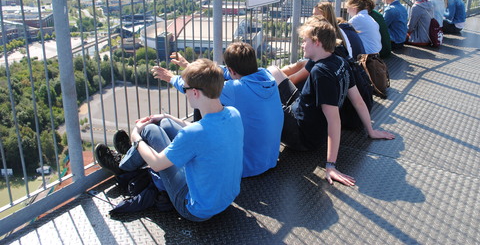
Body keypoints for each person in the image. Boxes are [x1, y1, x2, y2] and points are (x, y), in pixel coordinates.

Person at [96, 58, 244, 221]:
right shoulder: (233, 113)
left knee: (150, 130)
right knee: (166, 124)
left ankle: (122, 166)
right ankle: (132, 156)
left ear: (194, 92)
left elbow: (157, 163)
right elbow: (205, 129)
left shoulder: (193, 134)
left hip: (196, 208)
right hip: (224, 198)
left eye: (185, 88)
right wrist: (167, 117)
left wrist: (136, 137)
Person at [268, 16, 394, 187]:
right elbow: (357, 100)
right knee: (273, 70)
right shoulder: (340, 61)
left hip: (301, 135)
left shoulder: (321, 73)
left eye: (305, 41)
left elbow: (334, 120)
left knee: (260, 102)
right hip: (300, 110)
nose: (302, 45)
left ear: (317, 42)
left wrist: (331, 166)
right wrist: (370, 130)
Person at [152, 42, 284, 178]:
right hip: (269, 161)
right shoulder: (267, 77)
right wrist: (189, 66)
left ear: (231, 70)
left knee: (205, 99)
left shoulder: (235, 89)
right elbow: (222, 73)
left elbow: (197, 87)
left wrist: (171, 78)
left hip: (246, 168)